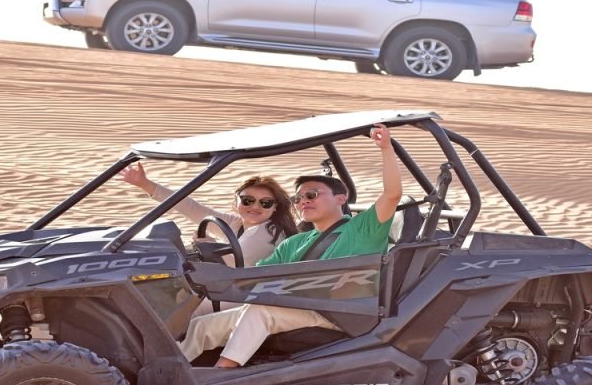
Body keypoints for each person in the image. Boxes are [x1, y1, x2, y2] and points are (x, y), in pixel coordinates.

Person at [179, 123, 403, 368]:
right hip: (300, 307)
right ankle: (173, 375)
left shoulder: (363, 228)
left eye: (312, 195)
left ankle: (220, 375)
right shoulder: (295, 242)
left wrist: (386, 149)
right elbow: (257, 276)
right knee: (204, 324)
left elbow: (392, 194)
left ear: (341, 198)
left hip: (342, 313)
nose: (303, 201)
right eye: (298, 198)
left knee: (259, 312)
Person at [120, 164, 298, 268]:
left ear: (275, 208)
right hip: (232, 287)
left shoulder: (268, 231)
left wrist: (211, 245)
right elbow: (191, 208)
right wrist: (144, 184)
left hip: (250, 294)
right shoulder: (237, 223)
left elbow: (234, 262)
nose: (255, 206)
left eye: (265, 203)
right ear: (237, 201)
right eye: (247, 200)